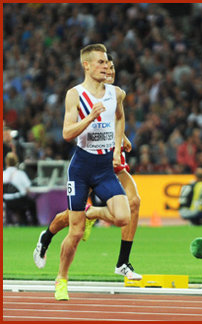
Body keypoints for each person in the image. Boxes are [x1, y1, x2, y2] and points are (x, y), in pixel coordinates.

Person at [33, 54, 142, 281]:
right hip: (87, 161)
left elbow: (118, 120)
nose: (109, 71)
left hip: (110, 160)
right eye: (105, 66)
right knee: (74, 220)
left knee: (133, 203)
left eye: (112, 68)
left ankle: (123, 261)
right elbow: (74, 130)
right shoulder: (81, 94)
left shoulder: (116, 94)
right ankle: (48, 236)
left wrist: (121, 141)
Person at [53, 43, 131, 301]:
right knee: (74, 233)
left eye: (107, 61)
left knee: (123, 217)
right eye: (100, 62)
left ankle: (91, 213)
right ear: (86, 65)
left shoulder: (116, 93)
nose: (105, 66)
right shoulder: (74, 95)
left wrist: (118, 147)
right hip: (81, 169)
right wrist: (90, 117)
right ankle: (62, 279)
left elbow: (119, 118)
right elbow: (66, 133)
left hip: (104, 167)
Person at [3, 152, 38, 226]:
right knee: (31, 203)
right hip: (19, 200)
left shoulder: (3, 174)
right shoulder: (20, 173)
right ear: (16, 161)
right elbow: (28, 190)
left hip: (6, 201)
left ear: (6, 161)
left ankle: (20, 221)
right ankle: (35, 223)